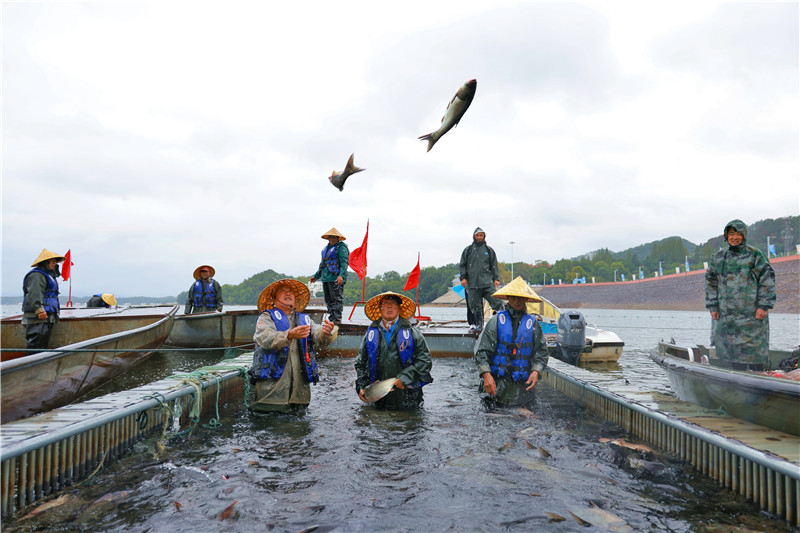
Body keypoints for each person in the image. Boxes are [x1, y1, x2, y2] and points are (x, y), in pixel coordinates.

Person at [250, 279, 337, 413]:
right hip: (271, 395)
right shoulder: (266, 317)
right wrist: (289, 335)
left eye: (291, 292)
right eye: (283, 291)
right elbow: (265, 339)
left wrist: (326, 332)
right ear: (274, 298)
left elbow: (319, 336)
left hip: (300, 396)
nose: (288, 294)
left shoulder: (305, 320)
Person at [705, 219, 776, 370]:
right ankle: (734, 384)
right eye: (731, 234)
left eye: (738, 234)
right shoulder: (718, 257)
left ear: (744, 235)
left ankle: (759, 382)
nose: (735, 237)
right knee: (731, 355)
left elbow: (767, 279)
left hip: (752, 316)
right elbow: (711, 282)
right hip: (726, 317)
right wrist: (713, 306)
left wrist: (764, 305)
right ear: (726, 236)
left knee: (755, 353)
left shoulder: (755, 255)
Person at [474, 277, 549, 408]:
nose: (516, 301)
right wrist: (486, 375)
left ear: (526, 299)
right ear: (508, 297)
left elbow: (541, 353)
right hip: (496, 387)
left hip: (524, 391)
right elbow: (482, 352)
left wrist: (536, 371)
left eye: (520, 297)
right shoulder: (495, 321)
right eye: (513, 297)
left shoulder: (533, 324)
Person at [355, 292, 433, 409]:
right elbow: (360, 363)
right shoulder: (370, 334)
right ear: (380, 309)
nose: (389, 306)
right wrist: (361, 386)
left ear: (399, 308)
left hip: (408, 398)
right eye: (385, 303)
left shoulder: (413, 332)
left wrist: (405, 378)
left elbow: (425, 361)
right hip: (378, 399)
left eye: (393, 303)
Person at [459, 227, 503, 332]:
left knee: (497, 302)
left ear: (484, 237)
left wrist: (496, 278)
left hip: (487, 283)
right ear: (474, 237)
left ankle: (502, 322)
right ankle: (479, 325)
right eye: (477, 235)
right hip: (473, 284)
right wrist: (463, 277)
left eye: (481, 235)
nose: (479, 237)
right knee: (475, 305)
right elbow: (462, 265)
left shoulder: (489, 250)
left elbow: (494, 265)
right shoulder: (468, 250)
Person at [22, 249, 66, 353]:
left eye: (55, 261)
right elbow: (34, 293)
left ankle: (37, 366)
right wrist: (39, 309)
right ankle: (30, 366)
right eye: (52, 261)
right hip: (38, 316)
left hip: (47, 315)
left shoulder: (49, 275)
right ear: (45, 262)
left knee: (42, 344)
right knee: (36, 344)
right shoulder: (37, 275)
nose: (54, 263)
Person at [310, 227, 349, 325]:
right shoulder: (326, 249)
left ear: (338, 238)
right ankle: (332, 317)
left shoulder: (341, 248)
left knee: (336, 298)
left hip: (336, 278)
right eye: (330, 237)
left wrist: (341, 276)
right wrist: (316, 276)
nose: (332, 239)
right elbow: (322, 264)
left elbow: (344, 263)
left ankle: (337, 318)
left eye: (334, 237)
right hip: (326, 278)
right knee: (328, 299)